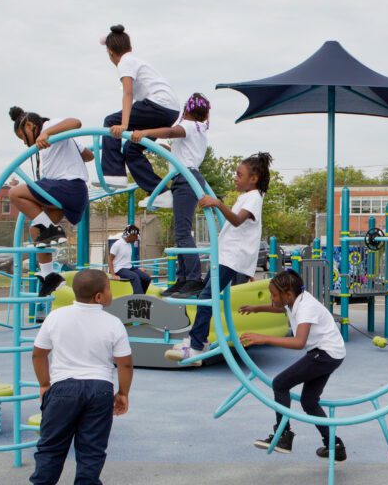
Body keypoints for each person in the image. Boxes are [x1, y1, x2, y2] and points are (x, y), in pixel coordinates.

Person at [16, 269, 134, 485]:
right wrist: (122, 392)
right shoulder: (113, 323)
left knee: (51, 445)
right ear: (100, 296)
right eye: (110, 289)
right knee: (92, 448)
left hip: (63, 387)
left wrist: (45, 384)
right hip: (100, 388)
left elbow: (39, 354)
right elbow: (124, 364)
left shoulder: (56, 317)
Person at [165, 152, 273, 366]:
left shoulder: (254, 198)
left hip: (233, 258)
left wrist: (217, 203)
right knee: (205, 296)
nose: (235, 177)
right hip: (226, 255)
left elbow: (236, 221)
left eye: (239, 174)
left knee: (206, 297)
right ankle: (198, 340)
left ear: (253, 179)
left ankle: (196, 346)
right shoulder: (246, 196)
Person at [239, 270, 347, 460]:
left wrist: (262, 338)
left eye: (274, 295)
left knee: (280, 383)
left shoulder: (306, 307)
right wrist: (257, 308)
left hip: (325, 354)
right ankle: (335, 446)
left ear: (288, 294)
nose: (272, 298)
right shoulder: (295, 300)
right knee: (309, 401)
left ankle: (284, 435)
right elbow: (281, 308)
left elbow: (299, 342)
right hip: (331, 353)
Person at [130, 92, 212, 297]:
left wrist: (145, 132)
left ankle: (193, 278)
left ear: (186, 110)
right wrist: (162, 147)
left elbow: (170, 131)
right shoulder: (199, 129)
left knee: (183, 231)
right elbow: (178, 145)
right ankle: (183, 278)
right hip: (185, 177)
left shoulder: (188, 126)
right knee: (180, 231)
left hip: (185, 178)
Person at [7, 106, 93, 297]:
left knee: (14, 194)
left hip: (68, 186)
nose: (25, 144)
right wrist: (72, 150)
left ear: (30, 125)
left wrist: (46, 132)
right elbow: (89, 155)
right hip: (73, 193)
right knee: (36, 229)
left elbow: (76, 122)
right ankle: (50, 276)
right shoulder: (61, 140)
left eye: (23, 137)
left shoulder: (50, 126)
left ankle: (53, 230)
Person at [100, 24, 180, 207]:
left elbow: (127, 93)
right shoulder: (135, 61)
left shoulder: (125, 62)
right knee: (131, 149)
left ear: (110, 52)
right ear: (129, 47)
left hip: (158, 106)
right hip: (169, 111)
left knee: (110, 121)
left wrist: (124, 124)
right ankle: (160, 192)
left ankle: (114, 173)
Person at [108, 224, 152, 294]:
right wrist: (113, 274)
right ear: (131, 235)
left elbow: (126, 261)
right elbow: (110, 260)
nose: (136, 239)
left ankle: (139, 296)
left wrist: (138, 270)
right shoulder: (117, 244)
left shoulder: (129, 245)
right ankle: (138, 298)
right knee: (135, 276)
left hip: (129, 267)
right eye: (136, 237)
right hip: (119, 269)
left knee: (146, 278)